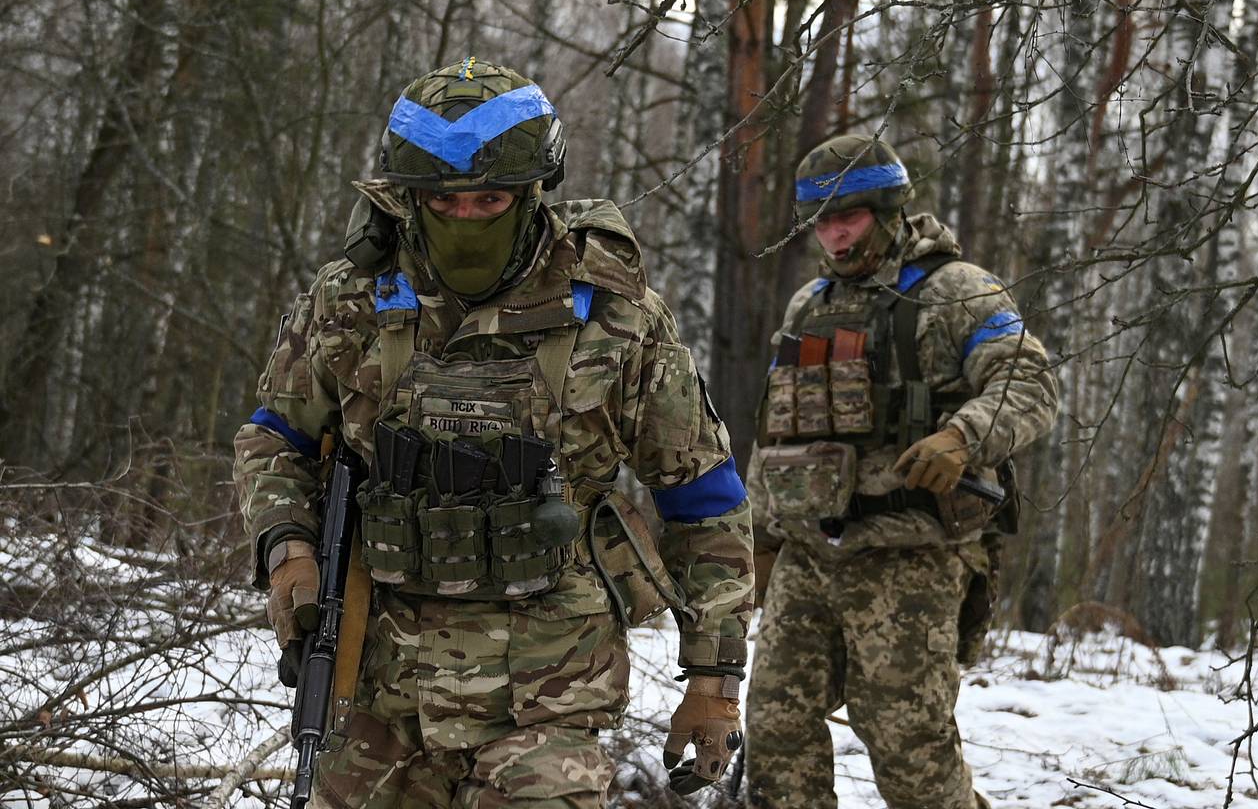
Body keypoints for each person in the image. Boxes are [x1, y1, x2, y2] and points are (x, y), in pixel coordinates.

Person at [233, 58, 753, 809]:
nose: (467, 218)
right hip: (379, 690)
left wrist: (713, 681)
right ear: (410, 198)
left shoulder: (616, 314)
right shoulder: (353, 299)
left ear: (534, 190)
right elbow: (274, 437)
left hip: (549, 700)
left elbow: (703, 499)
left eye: (491, 198)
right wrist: (288, 550)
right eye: (444, 202)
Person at [744, 133, 1058, 809]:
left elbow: (1029, 383)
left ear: (887, 210)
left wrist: (963, 436)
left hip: (910, 554)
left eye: (847, 217)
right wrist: (763, 537)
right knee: (775, 730)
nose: (834, 235)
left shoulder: (956, 292)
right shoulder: (810, 305)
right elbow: (778, 425)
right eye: (823, 221)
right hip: (808, 554)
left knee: (908, 746)